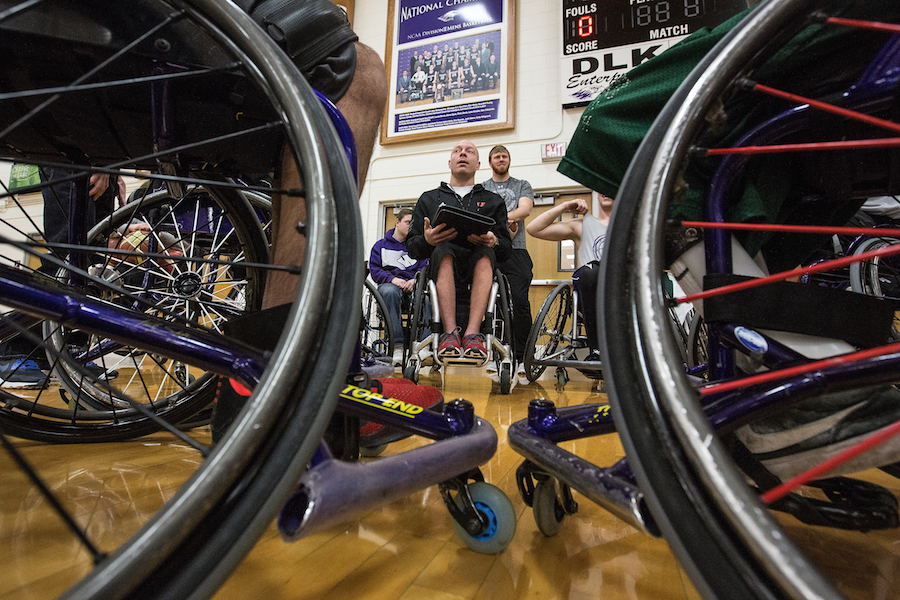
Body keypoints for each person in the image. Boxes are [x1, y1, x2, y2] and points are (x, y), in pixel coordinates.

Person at [406, 140, 512, 361]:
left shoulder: (493, 201)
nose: (463, 153)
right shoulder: (429, 198)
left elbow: (506, 250)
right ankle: (450, 333)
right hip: (443, 261)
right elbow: (413, 247)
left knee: (486, 254)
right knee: (442, 249)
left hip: (480, 261)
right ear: (450, 162)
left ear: (478, 164)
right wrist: (427, 240)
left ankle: (474, 333)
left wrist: (494, 241)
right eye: (457, 151)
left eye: (469, 151)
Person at [526, 195, 613, 363]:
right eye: (600, 189)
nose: (605, 193)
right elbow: (533, 229)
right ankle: (597, 349)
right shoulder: (582, 226)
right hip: (591, 292)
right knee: (590, 271)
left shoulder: (632, 226)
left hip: (621, 293)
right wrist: (564, 206)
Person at [481, 145, 534, 367]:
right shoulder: (482, 187)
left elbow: (524, 210)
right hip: (489, 250)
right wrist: (505, 222)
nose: (501, 159)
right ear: (490, 162)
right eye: (497, 156)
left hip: (517, 251)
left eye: (504, 156)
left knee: (519, 302)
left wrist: (497, 221)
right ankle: (498, 355)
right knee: (493, 304)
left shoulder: (522, 185)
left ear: (509, 161)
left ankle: (523, 357)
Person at [368, 208, 429, 364]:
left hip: (413, 288)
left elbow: (425, 268)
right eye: (408, 222)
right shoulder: (380, 246)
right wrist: (392, 279)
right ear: (397, 222)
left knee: (429, 297)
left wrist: (415, 280)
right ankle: (398, 346)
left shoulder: (418, 247)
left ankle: (424, 347)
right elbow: (375, 271)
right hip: (391, 287)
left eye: (414, 223)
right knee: (389, 291)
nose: (411, 226)